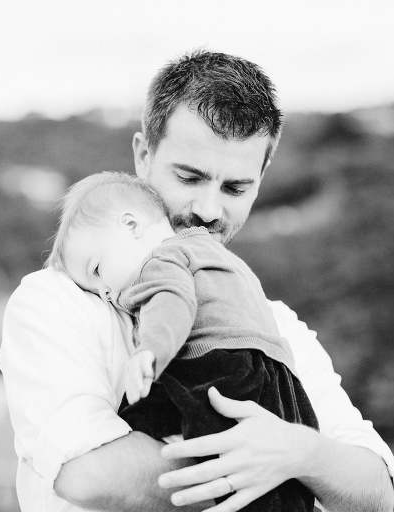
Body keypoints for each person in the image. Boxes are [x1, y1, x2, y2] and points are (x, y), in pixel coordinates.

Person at [0, 50, 394, 512]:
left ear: (261, 180)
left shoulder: (277, 323)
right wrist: (268, 480)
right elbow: (88, 472)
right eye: (190, 177)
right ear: (144, 156)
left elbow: (380, 493)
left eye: (235, 188)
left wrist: (299, 452)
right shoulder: (54, 300)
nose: (209, 210)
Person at [47, 170, 320, 511]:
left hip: (217, 367)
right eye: (94, 290)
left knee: (139, 420)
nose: (104, 293)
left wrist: (149, 351)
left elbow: (172, 305)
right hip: (276, 377)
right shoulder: (213, 254)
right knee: (275, 484)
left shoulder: (161, 260)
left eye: (97, 270)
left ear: (131, 226)